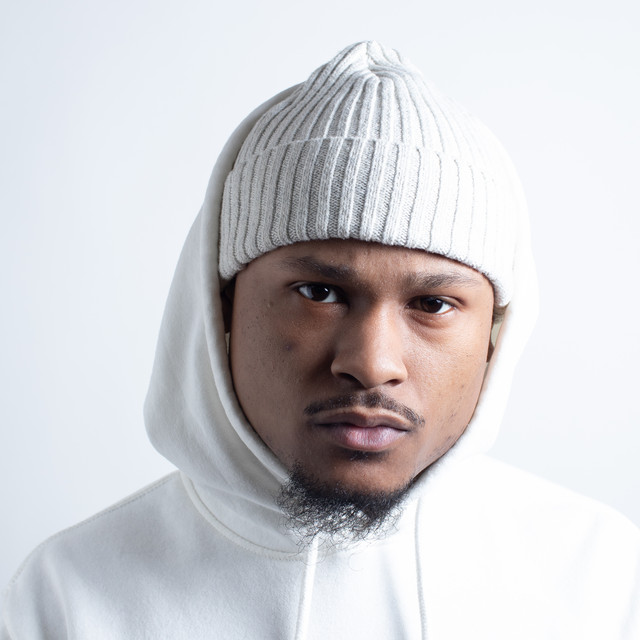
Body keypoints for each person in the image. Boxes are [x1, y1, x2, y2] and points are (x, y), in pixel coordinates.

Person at [2, 41, 638, 639]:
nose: (372, 364)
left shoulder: (599, 579)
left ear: (495, 335)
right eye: (319, 293)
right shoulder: (71, 595)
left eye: (433, 304)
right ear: (221, 308)